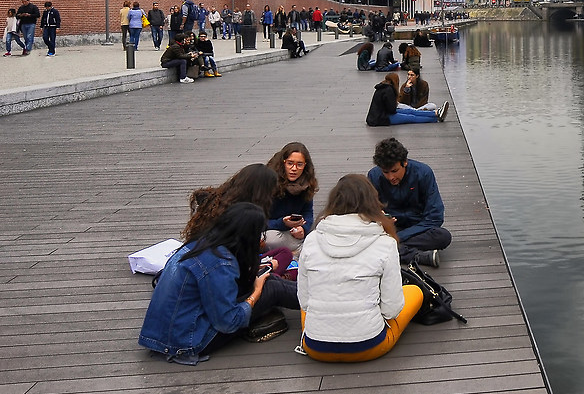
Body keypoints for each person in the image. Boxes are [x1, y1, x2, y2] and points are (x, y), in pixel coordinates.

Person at [297, 174, 424, 363]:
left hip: (316, 346)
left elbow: (305, 302)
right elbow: (391, 310)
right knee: (414, 291)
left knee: (314, 302)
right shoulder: (385, 243)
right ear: (372, 202)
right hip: (369, 344)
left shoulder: (312, 239)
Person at [138, 203, 277, 364]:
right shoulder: (220, 262)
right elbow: (228, 322)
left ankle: (310, 304)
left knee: (270, 280)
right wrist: (256, 294)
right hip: (185, 342)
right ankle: (310, 312)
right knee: (271, 288)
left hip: (162, 334)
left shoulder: (200, 244)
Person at [366, 137, 450, 266]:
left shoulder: (424, 173)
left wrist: (398, 237)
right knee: (369, 237)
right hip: (390, 228)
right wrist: (380, 218)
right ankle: (416, 256)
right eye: (385, 172)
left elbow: (435, 217)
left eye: (394, 171)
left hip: (418, 227)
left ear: (404, 162)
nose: (390, 177)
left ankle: (390, 248)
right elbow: (369, 212)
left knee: (443, 236)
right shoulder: (374, 176)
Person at [263, 142, 318, 255]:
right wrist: (282, 223)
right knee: (271, 239)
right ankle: (299, 251)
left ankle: (298, 250)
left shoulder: (306, 184)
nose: (294, 169)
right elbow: (258, 221)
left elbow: (307, 212)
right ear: (283, 163)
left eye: (299, 165)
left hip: (292, 232)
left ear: (305, 166)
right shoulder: (269, 183)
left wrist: (303, 229)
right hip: (269, 230)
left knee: (318, 228)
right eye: (290, 163)